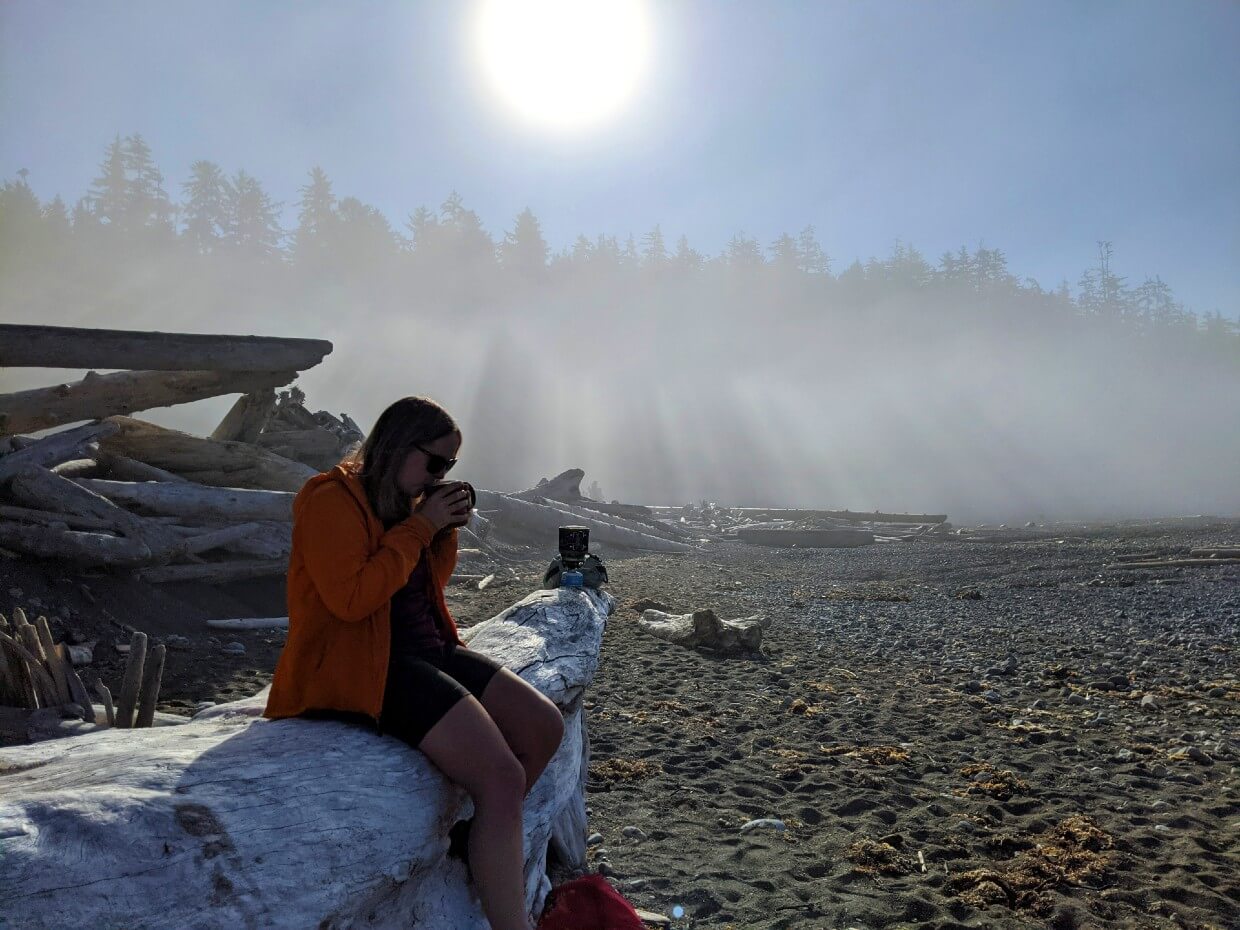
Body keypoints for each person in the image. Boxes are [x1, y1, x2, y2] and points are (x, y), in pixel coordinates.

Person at [264, 395, 563, 930]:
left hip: (427, 648)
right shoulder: (330, 499)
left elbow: (425, 588)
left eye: (449, 467)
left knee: (543, 725)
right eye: (434, 463)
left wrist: (440, 532)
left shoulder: (405, 503)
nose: (440, 475)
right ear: (399, 446)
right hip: (361, 668)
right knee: (499, 777)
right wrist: (421, 527)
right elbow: (352, 600)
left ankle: (478, 844)